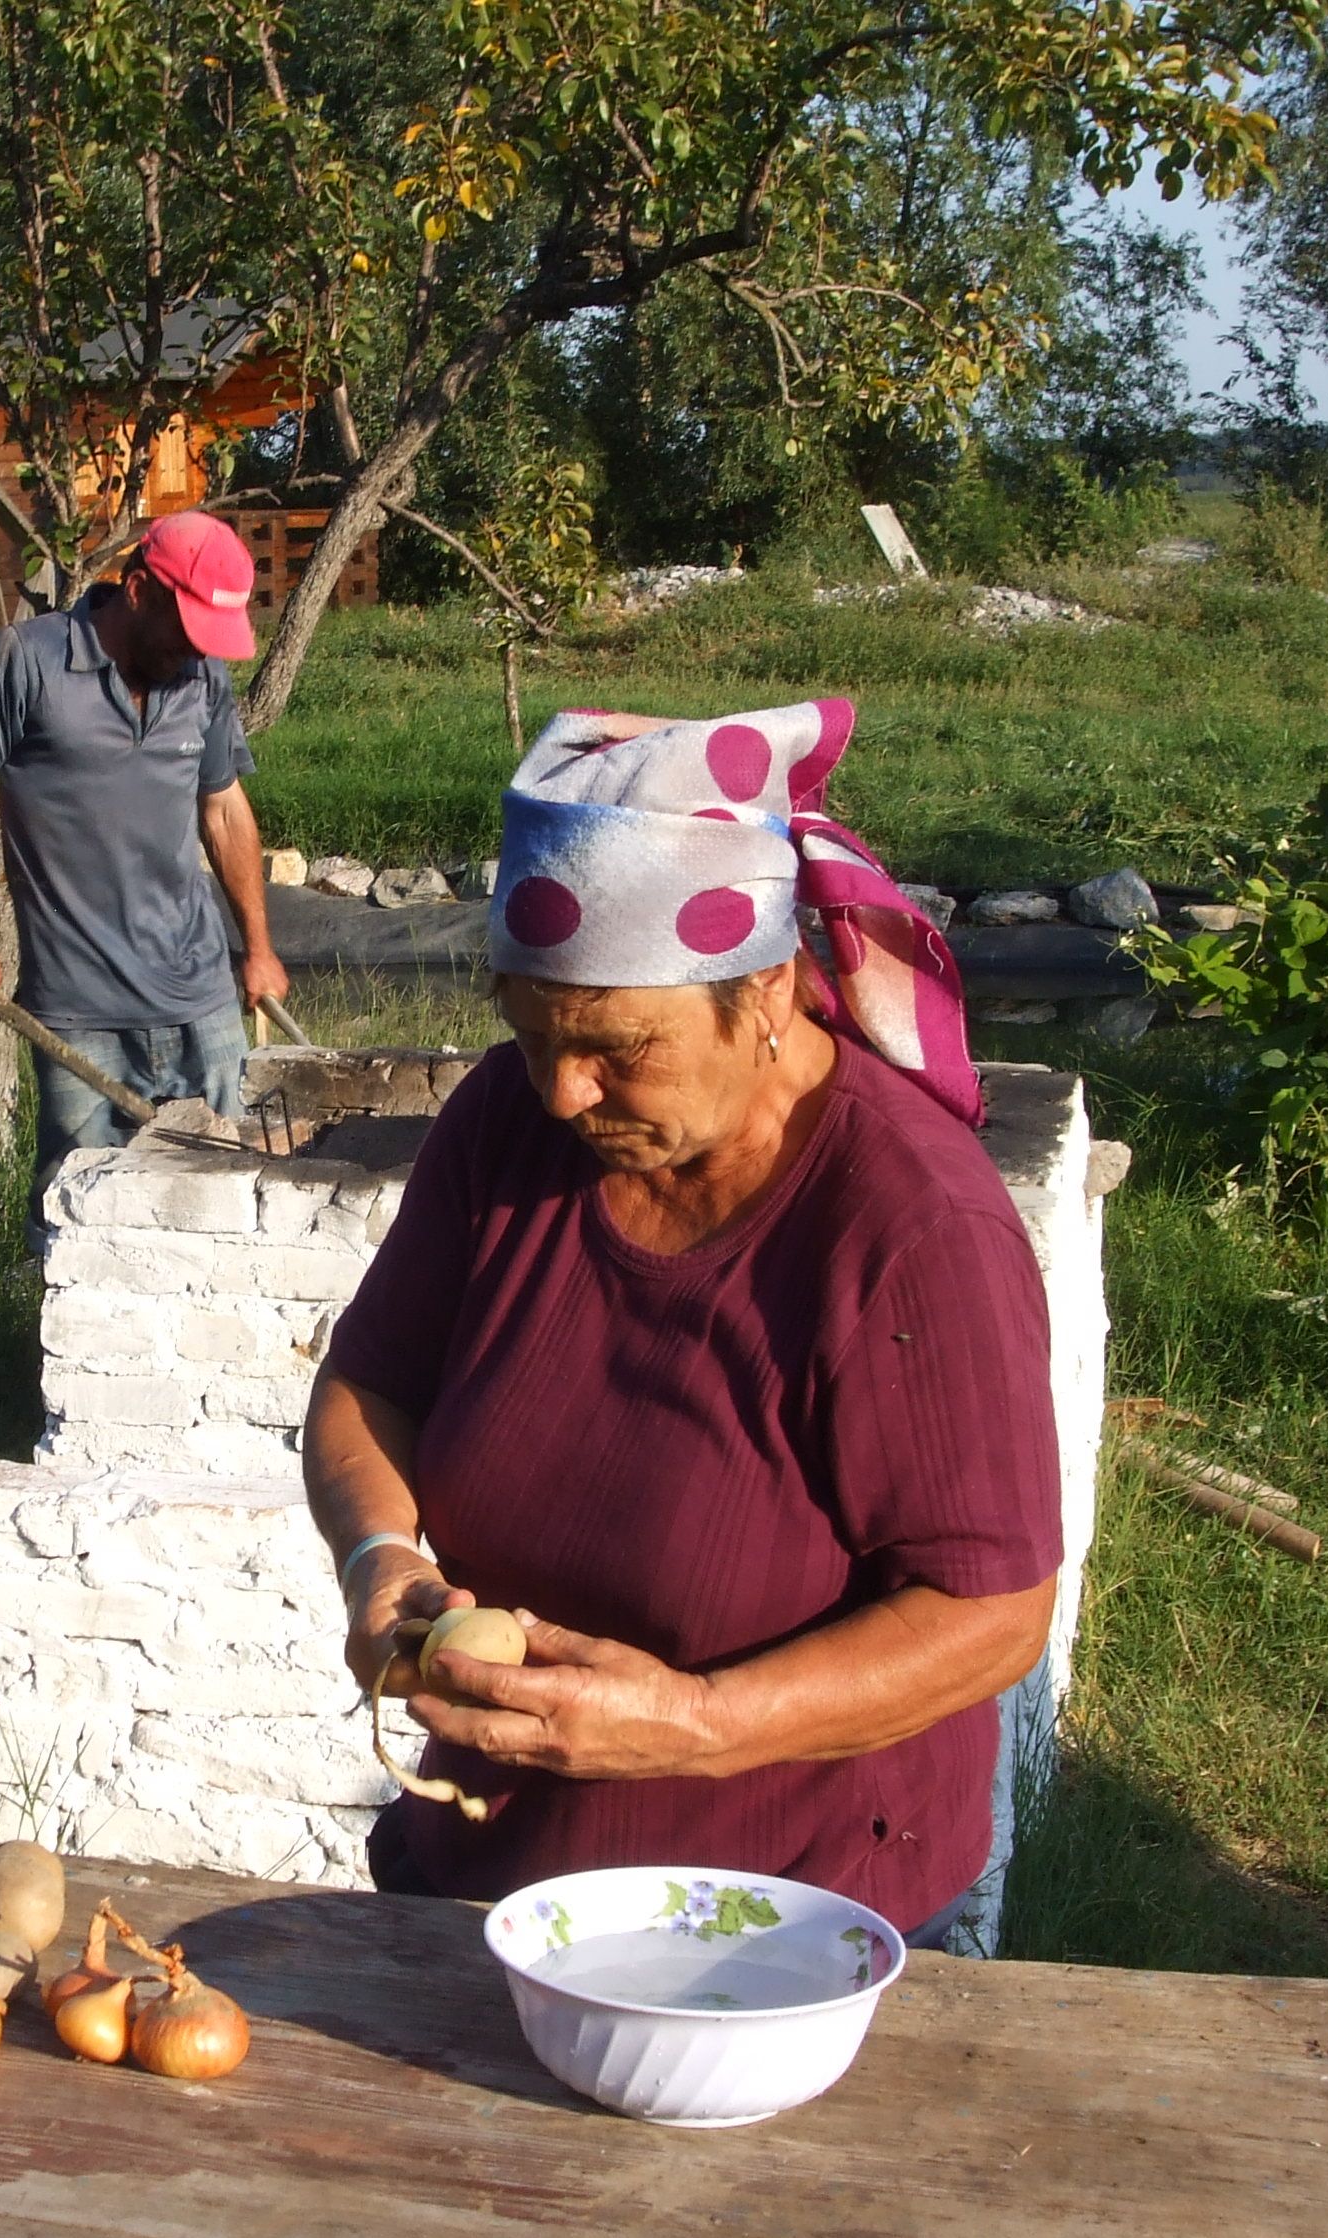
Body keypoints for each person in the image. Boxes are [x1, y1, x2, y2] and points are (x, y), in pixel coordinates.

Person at [301, 698, 1063, 1945]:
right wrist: (375, 1556)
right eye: (529, 1034)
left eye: (614, 1048)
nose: (562, 1092)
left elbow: (990, 1613)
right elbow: (370, 1382)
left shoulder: (911, 1230)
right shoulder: (505, 1126)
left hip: (784, 1923)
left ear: (763, 995)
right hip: (489, 1876)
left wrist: (701, 1726)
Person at [0, 512, 292, 1213]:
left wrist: (259, 948)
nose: (197, 650)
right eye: (188, 629)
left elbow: (223, 808)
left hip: (201, 999)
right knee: (80, 1216)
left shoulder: (203, 679)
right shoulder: (27, 659)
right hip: (79, 1010)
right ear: (138, 589)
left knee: (229, 1204)